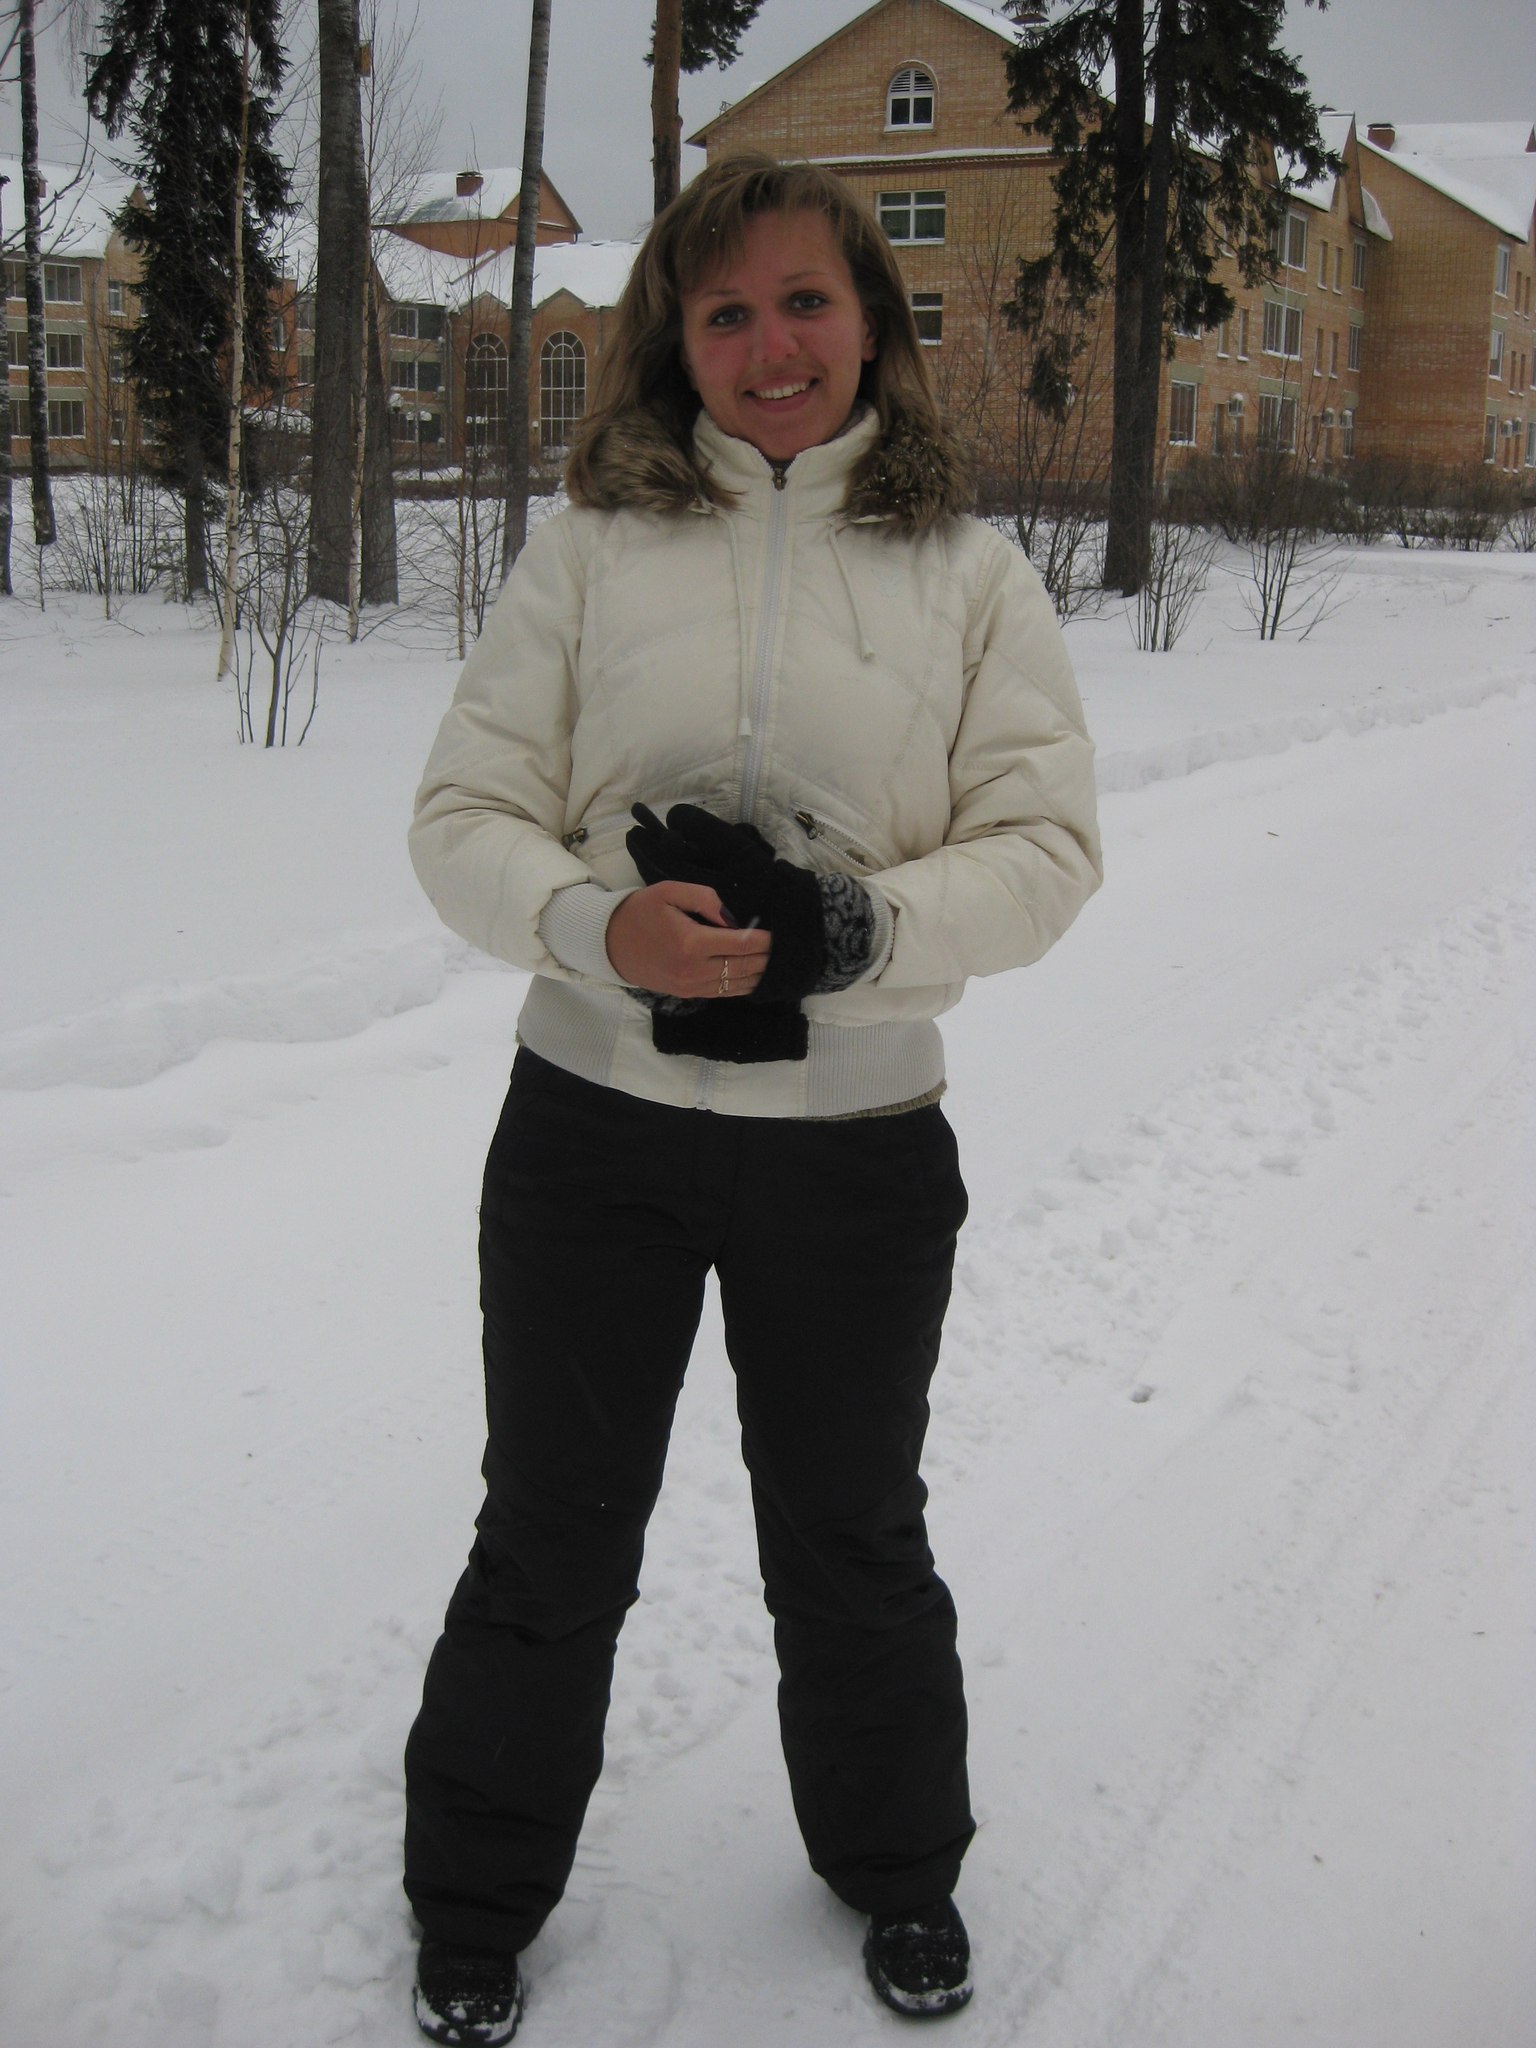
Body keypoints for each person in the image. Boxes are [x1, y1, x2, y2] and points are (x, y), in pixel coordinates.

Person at [401, 152, 1101, 2045]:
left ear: (870, 320)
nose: (770, 344)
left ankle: (901, 1868)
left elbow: (1045, 850)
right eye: (726, 311)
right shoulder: (588, 552)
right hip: (594, 1135)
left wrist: (858, 927)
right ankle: (472, 1905)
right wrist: (593, 926)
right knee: (551, 1537)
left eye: (805, 300)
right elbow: (462, 816)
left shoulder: (969, 573)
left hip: (855, 1157)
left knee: (851, 1533)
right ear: (676, 339)